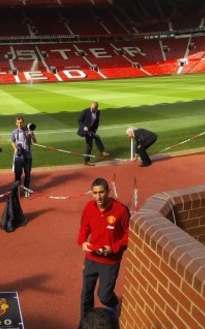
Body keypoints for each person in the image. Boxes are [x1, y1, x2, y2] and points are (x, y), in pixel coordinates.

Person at [77, 178, 130, 323]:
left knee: (104, 295)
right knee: (86, 294)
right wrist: (82, 242)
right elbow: (84, 229)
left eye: (101, 192)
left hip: (110, 261)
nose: (98, 197)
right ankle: (85, 323)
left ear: (108, 192)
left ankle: (115, 305)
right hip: (91, 258)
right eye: (95, 193)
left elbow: (128, 236)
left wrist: (112, 249)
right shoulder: (89, 207)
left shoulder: (121, 210)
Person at [11, 116, 36, 197]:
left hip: (28, 156)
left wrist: (32, 135)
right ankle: (16, 190)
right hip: (18, 157)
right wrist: (16, 149)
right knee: (18, 174)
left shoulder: (28, 131)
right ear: (16, 123)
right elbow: (12, 141)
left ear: (23, 122)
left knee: (27, 174)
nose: (19, 124)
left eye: (21, 122)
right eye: (18, 123)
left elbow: (34, 141)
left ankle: (26, 190)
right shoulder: (14, 132)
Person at [77, 102, 110, 166]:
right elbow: (79, 120)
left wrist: (95, 129)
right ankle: (102, 151)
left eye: (93, 109)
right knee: (97, 137)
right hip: (85, 130)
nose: (92, 109)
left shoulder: (98, 112)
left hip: (92, 130)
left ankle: (86, 161)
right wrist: (84, 126)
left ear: (96, 108)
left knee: (89, 145)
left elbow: (96, 121)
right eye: (91, 108)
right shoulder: (85, 111)